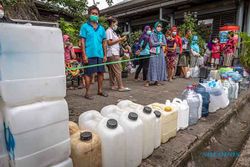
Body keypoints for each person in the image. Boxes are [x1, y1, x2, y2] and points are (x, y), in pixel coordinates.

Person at [79, 5, 108, 100]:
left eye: (96, 14)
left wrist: (105, 55)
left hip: (100, 54)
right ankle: (87, 93)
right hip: (89, 54)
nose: (94, 15)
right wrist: (84, 55)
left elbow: (104, 42)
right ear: (89, 14)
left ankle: (99, 91)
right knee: (88, 74)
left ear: (98, 15)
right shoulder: (85, 26)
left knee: (101, 73)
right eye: (93, 13)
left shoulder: (102, 28)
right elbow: (82, 41)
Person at [106, 17, 130, 92]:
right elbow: (109, 43)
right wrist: (120, 39)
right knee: (118, 69)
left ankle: (113, 85)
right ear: (112, 23)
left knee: (112, 71)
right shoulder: (109, 31)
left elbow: (114, 42)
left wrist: (120, 40)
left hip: (112, 53)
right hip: (113, 53)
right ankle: (120, 86)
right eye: (116, 24)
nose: (116, 25)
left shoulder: (112, 32)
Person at [147, 21, 167, 85]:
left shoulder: (162, 35)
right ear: (155, 27)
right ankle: (148, 81)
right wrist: (159, 43)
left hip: (160, 52)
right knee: (152, 66)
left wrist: (159, 43)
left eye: (160, 27)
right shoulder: (152, 34)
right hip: (153, 52)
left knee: (159, 66)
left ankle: (157, 81)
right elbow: (152, 43)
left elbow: (165, 43)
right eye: (158, 26)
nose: (159, 28)